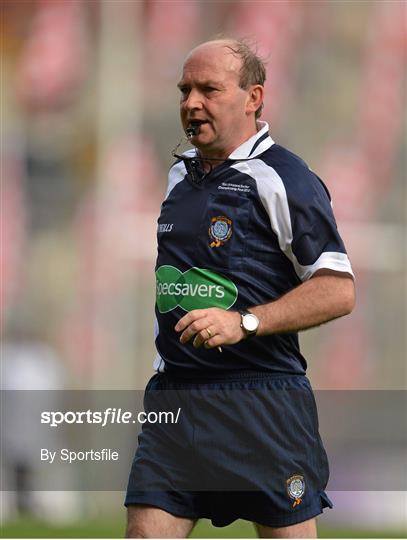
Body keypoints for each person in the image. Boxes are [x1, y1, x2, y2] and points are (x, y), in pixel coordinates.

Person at [125, 38, 355, 538]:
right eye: (185, 89)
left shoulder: (284, 178)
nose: (191, 102)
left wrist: (245, 321)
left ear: (253, 97)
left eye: (209, 89)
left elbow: (338, 288)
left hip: (262, 403)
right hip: (177, 401)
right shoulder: (178, 175)